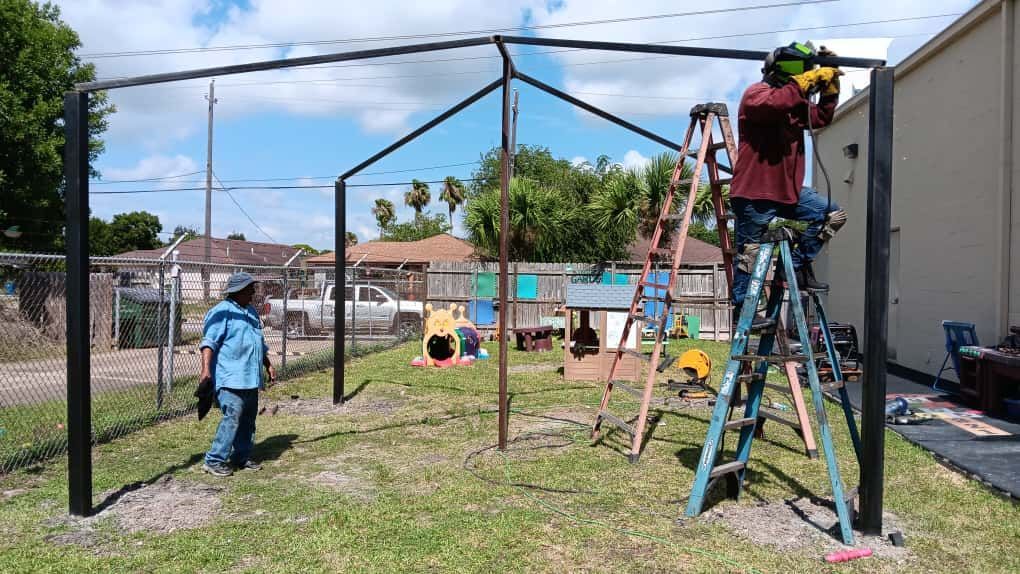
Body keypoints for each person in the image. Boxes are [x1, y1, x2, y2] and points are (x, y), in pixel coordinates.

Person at [729, 42, 849, 324]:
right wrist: (805, 81)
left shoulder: (795, 104)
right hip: (754, 194)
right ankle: (743, 311)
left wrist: (830, 86)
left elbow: (821, 117)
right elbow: (777, 103)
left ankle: (792, 268)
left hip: (789, 193)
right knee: (750, 254)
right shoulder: (755, 95)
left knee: (831, 215)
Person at [200, 272, 276, 477]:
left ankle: (241, 457)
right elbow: (209, 343)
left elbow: (258, 342)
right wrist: (205, 369)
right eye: (250, 288)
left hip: (250, 377)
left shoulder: (250, 311)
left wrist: (267, 364)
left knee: (248, 419)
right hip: (230, 377)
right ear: (238, 291)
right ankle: (214, 460)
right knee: (232, 417)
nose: (253, 292)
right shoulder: (221, 312)